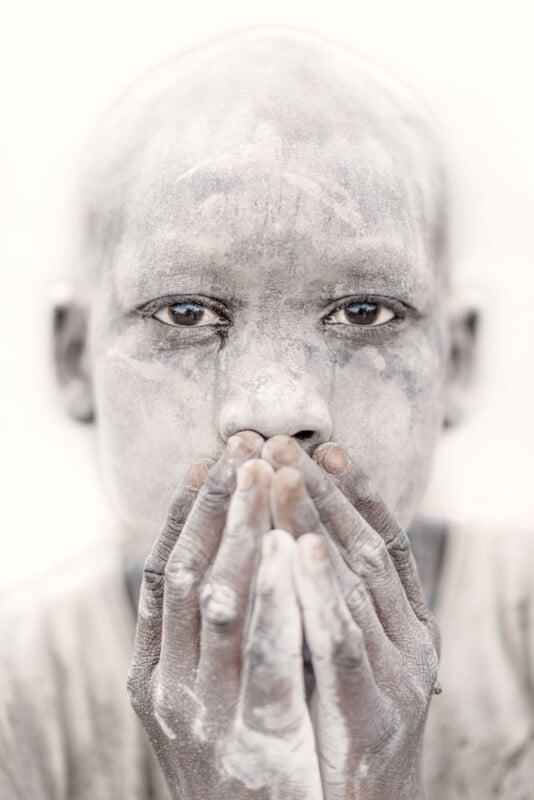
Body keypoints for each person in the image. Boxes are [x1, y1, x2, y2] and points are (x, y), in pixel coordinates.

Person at [1, 27, 533, 799]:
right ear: (73, 355)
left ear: (459, 359)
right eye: (184, 314)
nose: (279, 408)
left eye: (364, 312)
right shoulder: (19, 706)